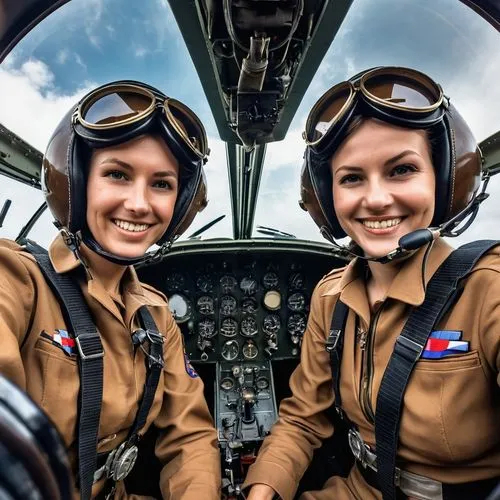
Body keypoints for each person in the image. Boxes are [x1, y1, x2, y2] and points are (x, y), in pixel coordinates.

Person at [243, 66, 500, 499]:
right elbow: (304, 418)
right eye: (352, 178)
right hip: (362, 488)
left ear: (443, 181)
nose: (377, 199)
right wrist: (263, 490)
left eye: (401, 170)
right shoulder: (330, 298)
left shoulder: (488, 289)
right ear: (327, 198)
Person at [0, 81, 221, 499]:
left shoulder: (156, 316)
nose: (139, 204)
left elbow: (190, 437)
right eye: (117, 174)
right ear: (77, 184)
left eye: (161, 184)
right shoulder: (17, 276)